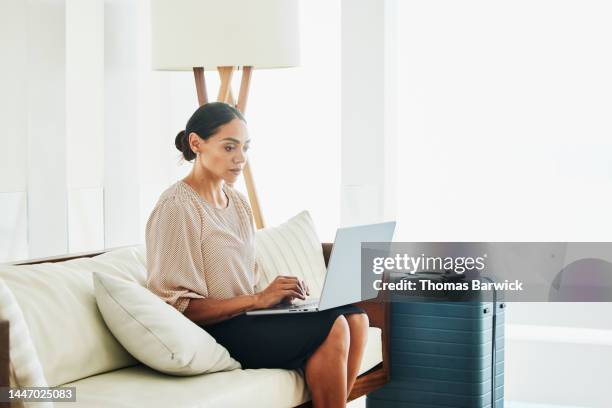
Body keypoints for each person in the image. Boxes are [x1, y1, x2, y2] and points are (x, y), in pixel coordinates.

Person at [145, 102, 369, 407]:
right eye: (229, 147)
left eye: (245, 148)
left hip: (245, 318)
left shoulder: (237, 202)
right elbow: (179, 307)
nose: (240, 159)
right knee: (334, 325)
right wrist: (257, 300)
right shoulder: (177, 207)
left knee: (356, 317)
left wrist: (273, 299)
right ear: (196, 143)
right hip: (213, 332)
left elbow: (244, 284)